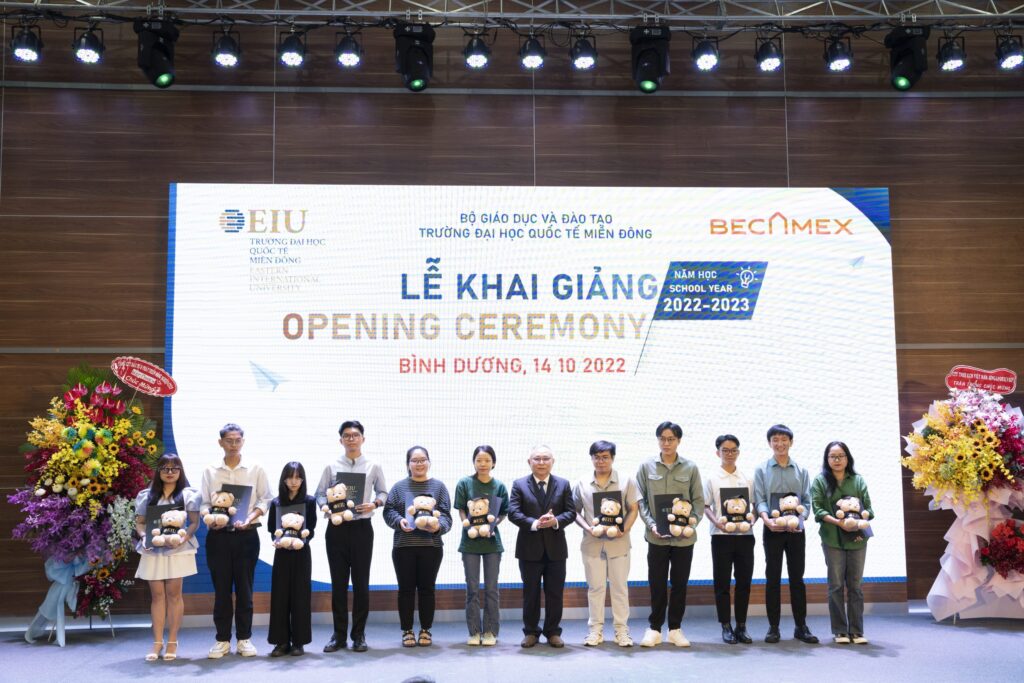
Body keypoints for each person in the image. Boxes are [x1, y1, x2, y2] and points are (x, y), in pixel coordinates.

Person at [314, 420, 388, 653]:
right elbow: (319, 494)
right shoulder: (331, 466)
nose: (351, 439)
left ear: (363, 439)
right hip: (336, 529)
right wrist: (325, 506)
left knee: (361, 584)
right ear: (341, 440)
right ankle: (338, 636)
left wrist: (375, 504)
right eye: (347, 435)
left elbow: (383, 492)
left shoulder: (373, 465)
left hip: (362, 529)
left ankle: (359, 635)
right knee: (338, 584)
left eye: (355, 435)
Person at [201, 423, 273, 659]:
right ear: (220, 442)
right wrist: (210, 519)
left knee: (245, 590)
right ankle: (222, 640)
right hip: (218, 537)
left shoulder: (255, 468)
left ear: (243, 441)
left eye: (237, 440)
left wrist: (250, 517)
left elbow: (266, 499)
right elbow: (204, 503)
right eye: (229, 440)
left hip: (246, 536)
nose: (233, 445)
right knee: (221, 591)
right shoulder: (210, 471)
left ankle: (244, 639)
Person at [636, 421, 704, 648]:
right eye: (662, 439)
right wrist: (651, 525)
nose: (666, 443)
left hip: (684, 539)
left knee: (679, 584)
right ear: (658, 440)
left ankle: (675, 629)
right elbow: (641, 501)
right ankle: (654, 628)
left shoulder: (690, 467)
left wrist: (690, 525)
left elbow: (698, 501)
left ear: (678, 441)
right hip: (656, 536)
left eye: (671, 439)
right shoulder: (646, 467)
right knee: (656, 583)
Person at [753, 424, 818, 644]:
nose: (780, 444)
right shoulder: (761, 470)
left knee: (797, 578)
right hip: (772, 529)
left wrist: (800, 519)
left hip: (796, 531)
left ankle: (801, 626)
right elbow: (760, 499)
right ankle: (773, 627)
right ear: (769, 443)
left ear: (791, 442)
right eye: (775, 440)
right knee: (772, 578)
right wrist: (766, 520)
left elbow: (807, 501)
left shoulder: (801, 470)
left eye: (784, 439)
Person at [383, 446, 452, 647]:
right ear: (408, 464)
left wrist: (439, 527)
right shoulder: (399, 487)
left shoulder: (439, 487)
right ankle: (407, 630)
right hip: (403, 547)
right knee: (405, 590)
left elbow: (446, 516)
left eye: (423, 460)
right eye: (414, 460)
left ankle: (425, 630)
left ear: (429, 462)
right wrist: (399, 521)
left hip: (431, 547)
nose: (419, 464)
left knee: (427, 590)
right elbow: (388, 511)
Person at [572, 439, 639, 647]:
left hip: (619, 544)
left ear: (613, 458)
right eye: (597, 457)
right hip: (592, 544)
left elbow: (633, 509)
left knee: (620, 588)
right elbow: (574, 511)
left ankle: (622, 631)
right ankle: (595, 630)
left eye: (605, 457)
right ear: (591, 458)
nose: (601, 461)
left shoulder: (627, 480)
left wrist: (623, 530)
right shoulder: (582, 482)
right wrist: (588, 528)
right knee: (595, 588)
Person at [508, 445, 576, 648]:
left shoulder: (563, 484)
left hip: (556, 550)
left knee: (555, 593)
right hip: (529, 549)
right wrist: (535, 523)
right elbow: (513, 512)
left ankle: (553, 632)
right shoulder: (519, 484)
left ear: (553, 461)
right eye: (536, 458)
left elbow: (571, 512)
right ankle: (531, 632)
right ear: (529, 462)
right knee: (531, 594)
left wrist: (556, 521)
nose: (541, 462)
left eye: (546, 458)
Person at [134, 453, 200, 662]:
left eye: (174, 468)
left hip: (177, 549)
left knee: (174, 595)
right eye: (165, 468)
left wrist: (184, 538)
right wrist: (144, 536)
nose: (170, 472)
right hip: (153, 549)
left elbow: (194, 522)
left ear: (180, 471)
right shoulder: (147, 495)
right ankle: (157, 642)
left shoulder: (188, 494)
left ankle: (172, 641)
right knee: (157, 595)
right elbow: (140, 523)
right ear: (158, 471)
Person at [811, 441, 874, 645]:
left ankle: (856, 631)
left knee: (855, 586)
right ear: (827, 459)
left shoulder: (858, 480)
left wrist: (859, 519)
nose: (837, 460)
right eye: (832, 456)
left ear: (848, 458)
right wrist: (839, 522)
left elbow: (869, 509)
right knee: (836, 585)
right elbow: (818, 509)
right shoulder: (820, 481)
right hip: (832, 538)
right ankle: (840, 631)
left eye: (841, 456)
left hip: (857, 538)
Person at [702, 434, 756, 645]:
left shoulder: (747, 478)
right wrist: (716, 522)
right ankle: (726, 625)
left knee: (744, 582)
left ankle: (742, 626)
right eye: (725, 450)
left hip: (745, 537)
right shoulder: (712, 478)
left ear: (738, 452)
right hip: (721, 537)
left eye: (733, 450)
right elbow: (705, 506)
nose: (730, 454)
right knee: (722, 583)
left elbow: (754, 505)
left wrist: (752, 520)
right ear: (718, 453)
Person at [454, 445, 509, 646]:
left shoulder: (499, 486)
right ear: (474, 462)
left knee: (492, 589)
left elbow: (503, 512)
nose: (483, 464)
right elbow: (461, 509)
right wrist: (466, 524)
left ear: (493, 463)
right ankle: (474, 632)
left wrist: (493, 526)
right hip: (470, 543)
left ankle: (490, 632)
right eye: (479, 460)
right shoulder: (465, 483)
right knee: (472, 589)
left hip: (492, 543)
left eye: (487, 460)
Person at [267, 461, 317, 657]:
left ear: (302, 479)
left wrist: (301, 541)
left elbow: (311, 529)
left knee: (300, 596)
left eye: (297, 477)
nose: (294, 481)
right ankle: (281, 642)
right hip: (281, 554)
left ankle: (298, 642)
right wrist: (278, 541)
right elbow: (272, 529)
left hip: (302, 554)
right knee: (280, 596)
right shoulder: (276, 502)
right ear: (284, 479)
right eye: (290, 477)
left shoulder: (309, 501)